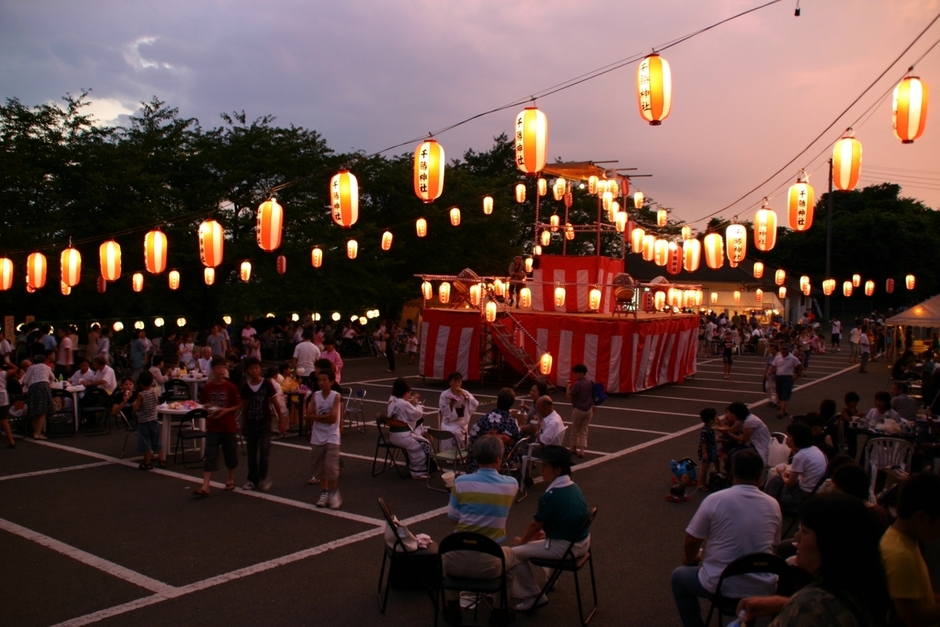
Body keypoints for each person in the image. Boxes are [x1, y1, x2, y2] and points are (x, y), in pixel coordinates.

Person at [737, 493, 891, 627]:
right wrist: (784, 603)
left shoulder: (810, 608)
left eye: (804, 531)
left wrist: (795, 606)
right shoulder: (869, 589)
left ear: (829, 544)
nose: (796, 538)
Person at [671, 449, 782, 627]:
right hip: (763, 588)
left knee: (679, 577)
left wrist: (690, 559)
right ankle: (747, 622)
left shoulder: (715, 500)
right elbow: (772, 549)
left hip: (722, 586)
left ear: (732, 472)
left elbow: (692, 540)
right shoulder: (773, 504)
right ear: (760, 475)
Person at [443, 435, 519, 625]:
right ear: (498, 459)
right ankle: (499, 609)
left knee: (445, 551)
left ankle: (452, 606)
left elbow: (453, 520)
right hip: (490, 563)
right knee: (513, 557)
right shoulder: (511, 484)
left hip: (455, 560)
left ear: (475, 458)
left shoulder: (460, 482)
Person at [512, 445, 590, 612]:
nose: (542, 469)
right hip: (581, 541)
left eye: (546, 466)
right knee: (544, 539)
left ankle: (533, 595)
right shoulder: (573, 487)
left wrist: (522, 541)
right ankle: (551, 580)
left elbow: (535, 524)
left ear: (557, 470)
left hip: (568, 546)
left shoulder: (552, 495)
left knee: (515, 554)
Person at [881, 473, 940, 627]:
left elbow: (918, 596)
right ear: (922, 517)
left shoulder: (904, 541)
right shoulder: (901, 556)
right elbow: (916, 617)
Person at [193, 357, 241, 496]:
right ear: (213, 370)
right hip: (213, 425)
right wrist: (209, 407)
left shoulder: (230, 386)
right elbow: (202, 403)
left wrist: (225, 411)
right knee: (210, 454)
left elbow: (237, 404)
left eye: (223, 367)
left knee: (230, 454)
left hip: (228, 425)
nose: (221, 370)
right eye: (218, 368)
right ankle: (205, 485)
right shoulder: (208, 387)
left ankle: (230, 477)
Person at [240, 357, 282, 491]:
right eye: (251, 368)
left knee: (264, 451)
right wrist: (243, 423)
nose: (254, 370)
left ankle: (263, 477)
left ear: (260, 369)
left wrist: (281, 421)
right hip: (251, 422)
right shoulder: (245, 386)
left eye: (257, 368)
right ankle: (252, 479)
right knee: (251, 453)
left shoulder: (267, 384)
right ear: (247, 371)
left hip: (265, 422)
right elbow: (244, 406)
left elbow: (275, 402)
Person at [765, 423, 828, 513]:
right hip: (814, 490)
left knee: (776, 480)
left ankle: (767, 504)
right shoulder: (815, 449)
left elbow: (790, 483)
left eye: (790, 436)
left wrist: (781, 473)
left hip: (802, 495)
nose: (787, 439)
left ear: (798, 438)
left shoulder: (800, 456)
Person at [305, 368, 342, 509]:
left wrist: (316, 417)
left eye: (324, 380)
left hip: (332, 435)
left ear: (331, 382)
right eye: (319, 380)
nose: (321, 383)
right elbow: (308, 414)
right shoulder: (315, 395)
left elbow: (333, 418)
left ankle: (333, 493)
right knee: (319, 467)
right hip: (317, 435)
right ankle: (324, 492)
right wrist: (321, 417)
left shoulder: (336, 396)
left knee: (331, 467)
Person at [386, 377, 431, 479]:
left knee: (420, 438)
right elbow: (417, 414)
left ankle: (415, 466)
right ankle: (417, 471)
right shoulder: (403, 403)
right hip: (402, 436)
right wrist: (417, 405)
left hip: (394, 434)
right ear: (406, 393)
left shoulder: (392, 401)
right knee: (424, 443)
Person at [468, 388, 521, 472]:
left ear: (498, 401)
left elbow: (473, 436)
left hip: (482, 457)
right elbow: (518, 443)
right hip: (503, 459)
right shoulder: (513, 422)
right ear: (511, 404)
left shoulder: (486, 418)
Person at [438, 371, 480, 449]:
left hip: (461, 420)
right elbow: (443, 411)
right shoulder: (444, 395)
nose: (457, 384)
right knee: (448, 432)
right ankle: (447, 455)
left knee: (456, 432)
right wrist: (452, 402)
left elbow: (474, 404)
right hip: (448, 420)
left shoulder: (465, 392)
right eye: (455, 382)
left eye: (459, 382)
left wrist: (466, 397)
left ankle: (460, 453)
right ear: (450, 383)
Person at [131, 371, 161, 471]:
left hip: (144, 422)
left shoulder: (141, 394)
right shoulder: (154, 391)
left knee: (146, 442)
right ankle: (162, 459)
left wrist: (134, 403)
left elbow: (136, 407)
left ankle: (147, 462)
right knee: (156, 441)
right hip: (154, 419)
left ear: (141, 383)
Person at [22, 351, 55, 439]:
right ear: (44, 360)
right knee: (43, 410)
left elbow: (25, 381)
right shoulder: (47, 367)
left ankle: (36, 431)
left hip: (33, 387)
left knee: (33, 409)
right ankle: (38, 432)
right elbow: (53, 378)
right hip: (44, 386)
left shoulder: (31, 368)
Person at [767, 344, 803, 420]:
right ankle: (785, 410)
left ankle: (781, 412)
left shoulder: (793, 358)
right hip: (779, 377)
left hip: (787, 378)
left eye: (785, 349)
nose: (783, 351)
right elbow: (774, 366)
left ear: (788, 350)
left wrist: (797, 376)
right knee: (779, 394)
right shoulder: (777, 357)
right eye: (782, 349)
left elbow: (800, 367)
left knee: (785, 395)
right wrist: (769, 373)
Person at [566, 364, 594, 458]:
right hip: (588, 409)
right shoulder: (589, 382)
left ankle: (573, 447)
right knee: (584, 430)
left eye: (576, 373)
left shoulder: (577, 384)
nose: (575, 375)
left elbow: (569, 396)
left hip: (578, 409)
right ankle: (582, 450)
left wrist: (567, 387)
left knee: (575, 429)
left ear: (581, 373)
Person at [697, 408, 719, 488]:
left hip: (711, 449)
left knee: (715, 460)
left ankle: (715, 474)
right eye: (715, 416)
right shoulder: (705, 430)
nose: (717, 417)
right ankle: (701, 484)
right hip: (707, 450)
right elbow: (703, 442)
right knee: (704, 467)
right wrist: (704, 453)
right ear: (710, 420)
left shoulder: (710, 427)